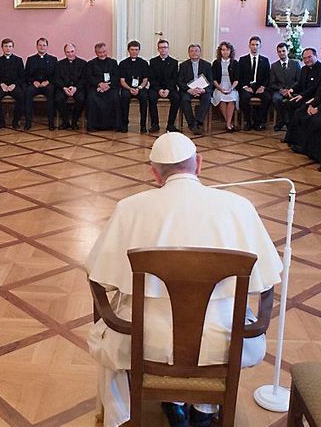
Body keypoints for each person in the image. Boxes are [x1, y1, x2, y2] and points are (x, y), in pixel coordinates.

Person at [86, 132, 283, 427]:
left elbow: (99, 275)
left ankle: (172, 406)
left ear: (155, 173)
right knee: (223, 314)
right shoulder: (239, 206)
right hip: (226, 341)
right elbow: (266, 280)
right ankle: (203, 411)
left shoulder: (131, 207)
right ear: (199, 164)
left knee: (119, 321)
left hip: (142, 339)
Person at [277, 47, 321, 129]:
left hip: (315, 98)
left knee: (298, 109)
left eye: (309, 57)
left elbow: (315, 87)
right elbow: (300, 83)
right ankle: (291, 130)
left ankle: (298, 132)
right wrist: (292, 89)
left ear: (316, 56)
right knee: (287, 104)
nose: (307, 60)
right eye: (304, 58)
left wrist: (302, 95)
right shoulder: (304, 69)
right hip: (304, 96)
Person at [177, 44, 214, 136]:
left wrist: (204, 90)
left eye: (196, 51)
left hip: (202, 90)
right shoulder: (183, 65)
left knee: (207, 98)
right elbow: (179, 81)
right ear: (188, 53)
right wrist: (189, 90)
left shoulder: (207, 65)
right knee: (184, 99)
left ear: (200, 52)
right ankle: (191, 123)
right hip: (188, 90)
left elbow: (211, 81)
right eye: (192, 51)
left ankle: (198, 122)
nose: (194, 53)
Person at [85, 43, 122, 132]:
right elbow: (89, 77)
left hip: (110, 87)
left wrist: (108, 86)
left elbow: (116, 76)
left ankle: (114, 125)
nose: (102, 54)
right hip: (96, 87)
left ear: (106, 51)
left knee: (115, 98)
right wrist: (99, 84)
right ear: (96, 53)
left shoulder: (113, 62)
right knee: (91, 98)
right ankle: (93, 126)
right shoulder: (91, 63)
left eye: (103, 52)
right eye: (99, 52)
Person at [237, 36, 271, 131]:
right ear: (249, 46)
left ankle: (258, 121)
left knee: (267, 98)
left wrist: (263, 87)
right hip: (247, 87)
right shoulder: (243, 60)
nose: (255, 47)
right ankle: (247, 121)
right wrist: (244, 86)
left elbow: (267, 76)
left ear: (260, 46)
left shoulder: (265, 60)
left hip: (260, 87)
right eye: (253, 44)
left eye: (257, 45)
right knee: (244, 98)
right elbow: (240, 76)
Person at [0, 38, 25, 129]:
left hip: (14, 85)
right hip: (1, 86)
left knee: (21, 96)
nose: (8, 48)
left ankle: (15, 121)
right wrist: (1, 84)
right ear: (2, 47)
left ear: (13, 48)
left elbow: (22, 77)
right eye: (6, 46)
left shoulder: (18, 60)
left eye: (10, 46)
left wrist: (14, 84)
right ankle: (1, 121)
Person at [24, 37, 57, 130]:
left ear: (47, 47)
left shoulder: (53, 59)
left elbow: (56, 75)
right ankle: (28, 122)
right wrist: (33, 82)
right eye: (40, 45)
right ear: (36, 46)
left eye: (44, 45)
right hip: (35, 85)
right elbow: (26, 75)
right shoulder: (30, 59)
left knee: (52, 92)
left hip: (47, 85)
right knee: (27, 93)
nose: (42, 47)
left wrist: (48, 81)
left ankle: (51, 123)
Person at [147, 39, 180, 133]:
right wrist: (159, 90)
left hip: (170, 88)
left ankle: (170, 125)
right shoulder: (153, 62)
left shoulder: (174, 62)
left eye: (165, 47)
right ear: (158, 49)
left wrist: (168, 89)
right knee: (151, 97)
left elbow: (175, 79)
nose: (163, 50)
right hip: (156, 88)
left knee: (177, 98)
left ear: (168, 49)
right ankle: (155, 124)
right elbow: (151, 78)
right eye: (161, 48)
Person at [267, 41, 301, 130]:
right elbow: (272, 83)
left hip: (293, 90)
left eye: (283, 51)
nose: (281, 53)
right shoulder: (274, 66)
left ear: (287, 51)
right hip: (279, 90)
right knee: (276, 99)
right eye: (279, 51)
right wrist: (281, 90)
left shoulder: (295, 64)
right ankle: (283, 120)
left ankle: (289, 121)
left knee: (294, 100)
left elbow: (299, 80)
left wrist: (290, 90)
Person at [118, 41, 150, 133]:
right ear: (128, 50)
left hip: (140, 88)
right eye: (132, 49)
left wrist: (139, 88)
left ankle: (143, 125)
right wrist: (130, 88)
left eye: (136, 50)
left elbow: (145, 80)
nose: (134, 52)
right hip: (127, 88)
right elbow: (122, 81)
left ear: (139, 50)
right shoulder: (123, 63)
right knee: (124, 97)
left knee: (144, 97)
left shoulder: (144, 63)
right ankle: (124, 124)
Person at [54, 43, 87, 130]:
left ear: (75, 51)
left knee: (81, 99)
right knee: (58, 99)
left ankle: (74, 122)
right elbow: (56, 78)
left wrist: (76, 88)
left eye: (72, 51)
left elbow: (84, 79)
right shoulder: (59, 64)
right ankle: (65, 122)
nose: (70, 54)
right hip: (63, 88)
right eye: (68, 52)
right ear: (65, 52)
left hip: (78, 88)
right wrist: (64, 88)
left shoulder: (83, 63)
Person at [211, 41, 240, 131]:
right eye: (223, 50)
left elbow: (236, 80)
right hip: (219, 86)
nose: (225, 52)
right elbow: (213, 79)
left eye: (227, 50)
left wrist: (231, 88)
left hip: (231, 87)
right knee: (222, 98)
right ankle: (229, 124)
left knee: (231, 98)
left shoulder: (235, 63)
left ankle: (227, 124)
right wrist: (220, 88)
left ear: (231, 51)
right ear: (220, 51)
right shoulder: (216, 63)